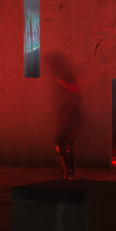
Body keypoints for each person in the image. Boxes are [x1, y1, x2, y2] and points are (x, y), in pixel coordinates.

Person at [46, 51, 82, 179]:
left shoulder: (65, 76)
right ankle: (68, 173)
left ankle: (69, 173)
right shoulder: (60, 77)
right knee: (62, 144)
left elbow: (75, 90)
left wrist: (61, 84)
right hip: (65, 113)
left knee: (63, 144)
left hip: (70, 114)